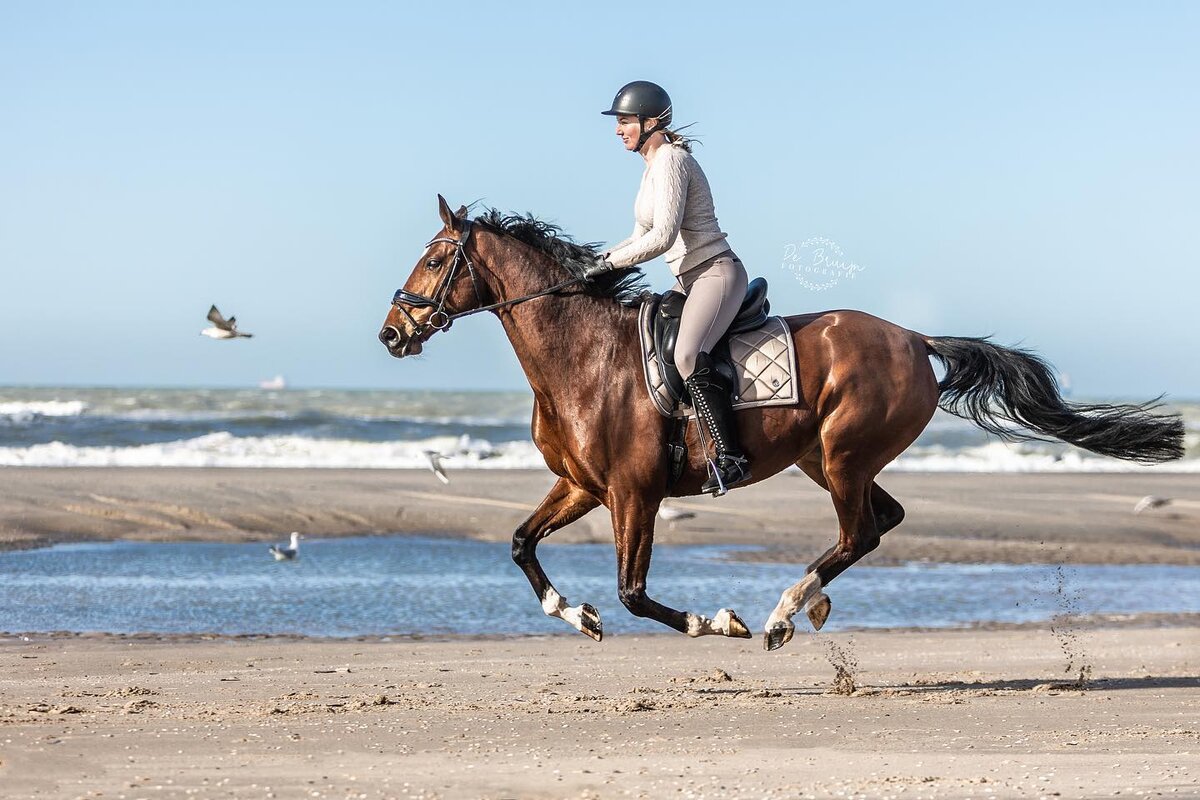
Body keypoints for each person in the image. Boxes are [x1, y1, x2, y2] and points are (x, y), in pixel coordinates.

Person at [586, 80, 752, 496]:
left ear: (651, 122)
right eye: (619, 121)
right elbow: (638, 233)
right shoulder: (650, 169)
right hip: (688, 282)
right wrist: (590, 263)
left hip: (715, 273)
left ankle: (731, 458)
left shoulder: (672, 160)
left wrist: (608, 264)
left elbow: (661, 237)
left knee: (687, 354)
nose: (618, 129)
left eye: (624, 121)